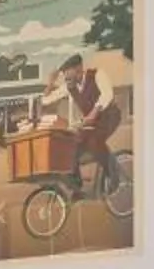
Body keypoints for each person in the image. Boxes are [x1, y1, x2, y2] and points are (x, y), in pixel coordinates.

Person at [36, 52, 126, 197]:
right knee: (70, 147)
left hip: (109, 117)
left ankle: (114, 177)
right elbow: (45, 101)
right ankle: (77, 189)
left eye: (68, 73)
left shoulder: (97, 75)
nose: (66, 78)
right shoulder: (69, 86)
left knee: (94, 141)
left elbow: (107, 94)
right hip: (91, 122)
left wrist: (94, 112)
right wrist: (50, 83)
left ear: (79, 69)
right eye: (64, 74)